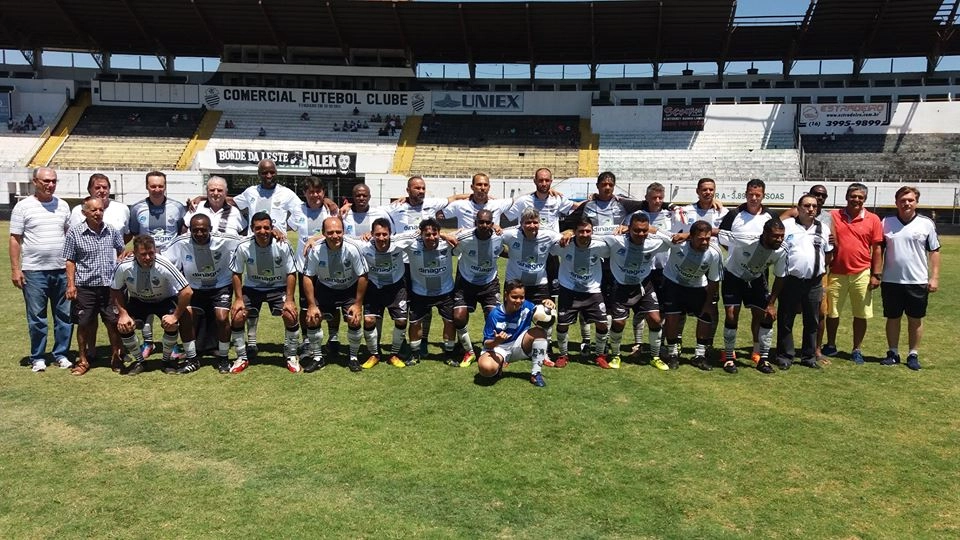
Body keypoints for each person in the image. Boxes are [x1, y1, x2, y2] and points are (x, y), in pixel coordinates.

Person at [10, 167, 73, 372]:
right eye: (46, 181)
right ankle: (37, 356)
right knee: (37, 317)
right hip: (34, 271)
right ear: (35, 182)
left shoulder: (63, 206)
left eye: (54, 181)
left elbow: (69, 237)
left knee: (64, 316)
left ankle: (61, 354)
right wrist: (15, 269)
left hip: (61, 270)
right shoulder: (23, 207)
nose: (50, 185)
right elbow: (15, 239)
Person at [164, 214, 243, 373]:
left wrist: (275, 232)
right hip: (193, 287)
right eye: (195, 230)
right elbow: (162, 258)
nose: (199, 234)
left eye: (203, 230)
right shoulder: (181, 242)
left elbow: (249, 240)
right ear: (190, 230)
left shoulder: (225, 239)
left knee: (221, 318)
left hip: (220, 285)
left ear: (211, 229)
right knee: (186, 317)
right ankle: (192, 359)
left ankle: (223, 358)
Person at [110, 235, 198, 376]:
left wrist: (175, 316)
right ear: (135, 253)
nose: (148, 257)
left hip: (164, 299)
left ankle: (166, 361)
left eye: (151, 253)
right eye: (143, 254)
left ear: (155, 250)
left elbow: (187, 291)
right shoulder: (124, 266)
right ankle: (140, 362)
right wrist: (123, 313)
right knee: (124, 326)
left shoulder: (164, 264)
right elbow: (115, 289)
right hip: (138, 301)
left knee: (172, 324)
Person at [228, 212, 300, 373]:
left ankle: (291, 354)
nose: (262, 231)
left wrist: (289, 299)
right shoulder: (243, 246)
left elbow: (291, 273)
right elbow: (236, 273)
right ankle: (241, 356)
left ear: (272, 228)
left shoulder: (283, 244)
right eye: (258, 228)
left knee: (290, 314)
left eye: (266, 228)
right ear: (252, 229)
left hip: (277, 287)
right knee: (238, 315)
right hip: (253, 288)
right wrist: (238, 299)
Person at [878, 186, 940, 370]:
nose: (906, 203)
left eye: (910, 200)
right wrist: (877, 272)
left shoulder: (926, 223)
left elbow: (934, 251)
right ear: (896, 202)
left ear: (916, 202)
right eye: (903, 200)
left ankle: (913, 354)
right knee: (893, 318)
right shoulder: (886, 222)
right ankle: (893, 352)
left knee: (915, 319)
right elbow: (878, 249)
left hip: (917, 281)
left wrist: (935, 277)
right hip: (891, 280)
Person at [601, 212, 673, 370]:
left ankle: (655, 356)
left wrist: (655, 230)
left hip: (644, 285)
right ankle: (615, 355)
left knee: (655, 319)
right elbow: (593, 237)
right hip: (621, 286)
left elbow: (673, 239)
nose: (641, 234)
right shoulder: (616, 240)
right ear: (629, 229)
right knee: (619, 322)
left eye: (644, 230)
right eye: (637, 230)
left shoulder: (652, 242)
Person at [62, 197, 126, 375]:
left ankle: (116, 357)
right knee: (83, 324)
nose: (98, 213)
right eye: (93, 210)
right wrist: (70, 285)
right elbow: (70, 260)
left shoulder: (110, 230)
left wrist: (120, 263)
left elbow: (121, 250)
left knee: (113, 324)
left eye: (100, 210)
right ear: (84, 213)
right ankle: (83, 360)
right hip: (85, 287)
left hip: (108, 287)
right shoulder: (75, 233)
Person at [717, 179, 777, 367]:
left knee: (759, 314)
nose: (753, 198)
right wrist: (738, 253)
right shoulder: (734, 214)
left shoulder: (770, 217)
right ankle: (729, 353)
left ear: (763, 196)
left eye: (757, 195)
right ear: (746, 194)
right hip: (733, 272)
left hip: (759, 274)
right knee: (731, 314)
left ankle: (757, 350)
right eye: (750, 194)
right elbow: (722, 236)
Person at [127, 170, 187, 359]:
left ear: (165, 186)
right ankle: (148, 342)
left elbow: (181, 232)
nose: (157, 189)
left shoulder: (177, 207)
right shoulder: (137, 209)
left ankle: (173, 345)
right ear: (147, 187)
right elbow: (136, 234)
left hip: (171, 263)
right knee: (145, 296)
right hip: (145, 262)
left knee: (168, 301)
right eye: (153, 186)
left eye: (160, 186)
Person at [822, 182, 883, 364]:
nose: (856, 199)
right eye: (853, 196)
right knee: (832, 312)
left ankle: (857, 349)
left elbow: (877, 248)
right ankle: (831, 345)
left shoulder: (873, 219)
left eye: (860, 197)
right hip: (836, 271)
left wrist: (876, 274)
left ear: (865, 199)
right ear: (846, 197)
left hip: (861, 272)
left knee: (861, 313)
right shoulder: (833, 216)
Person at [716, 219, 788, 373]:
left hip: (756, 278)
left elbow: (781, 277)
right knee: (731, 315)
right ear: (765, 234)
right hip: (733, 276)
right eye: (776, 236)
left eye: (782, 236)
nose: (780, 239)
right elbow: (717, 233)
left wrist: (771, 303)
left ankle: (763, 360)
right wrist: (687, 235)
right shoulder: (746, 238)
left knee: (767, 315)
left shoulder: (782, 249)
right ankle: (729, 358)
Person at [771, 194, 834, 370]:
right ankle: (785, 355)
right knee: (786, 319)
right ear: (798, 208)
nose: (811, 209)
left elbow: (828, 254)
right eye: (807, 206)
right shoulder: (787, 226)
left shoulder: (824, 228)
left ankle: (808, 356)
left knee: (812, 320)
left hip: (814, 282)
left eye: (814, 206)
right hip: (790, 280)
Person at [301, 217, 370, 373]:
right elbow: (307, 277)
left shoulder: (353, 248)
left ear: (343, 232)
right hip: (325, 287)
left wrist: (358, 304)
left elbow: (363, 275)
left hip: (349, 288)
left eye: (338, 232)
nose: (335, 236)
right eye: (330, 232)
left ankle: (353, 357)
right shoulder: (316, 249)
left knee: (354, 319)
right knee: (312, 319)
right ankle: (318, 358)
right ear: (324, 233)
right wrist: (311, 305)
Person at [392, 218, 458, 366]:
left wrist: (445, 236)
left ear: (439, 234)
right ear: (421, 235)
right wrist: (414, 234)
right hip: (420, 292)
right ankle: (415, 354)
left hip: (445, 291)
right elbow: (392, 238)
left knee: (449, 322)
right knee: (415, 323)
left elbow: (465, 232)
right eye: (427, 235)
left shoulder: (446, 243)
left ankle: (449, 354)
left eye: (435, 234)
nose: (431, 238)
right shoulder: (412, 244)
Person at [660, 221, 724, 371]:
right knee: (672, 317)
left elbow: (714, 280)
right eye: (701, 238)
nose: (705, 242)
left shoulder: (714, 252)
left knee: (706, 316)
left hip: (697, 285)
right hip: (673, 283)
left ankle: (699, 356)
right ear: (691, 237)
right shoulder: (677, 243)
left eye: (707, 238)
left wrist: (708, 303)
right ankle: (673, 354)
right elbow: (656, 230)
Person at [551, 218, 612, 369]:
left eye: (588, 231)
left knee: (602, 323)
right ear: (575, 232)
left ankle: (599, 355)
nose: (584, 234)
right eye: (581, 231)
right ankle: (563, 355)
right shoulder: (565, 245)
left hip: (592, 291)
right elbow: (551, 247)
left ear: (592, 231)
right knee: (563, 324)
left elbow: (615, 247)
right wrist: (563, 235)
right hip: (568, 289)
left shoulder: (600, 246)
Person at [353, 218, 411, 369]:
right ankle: (374, 354)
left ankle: (394, 354)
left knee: (401, 321)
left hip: (396, 287)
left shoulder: (399, 242)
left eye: (385, 234)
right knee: (370, 320)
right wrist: (314, 238)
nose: (381, 238)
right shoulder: (364, 245)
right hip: (374, 287)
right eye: (377, 234)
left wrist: (445, 235)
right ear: (371, 234)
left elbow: (421, 233)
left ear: (390, 234)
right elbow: (342, 237)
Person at [451, 210, 505, 367]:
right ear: (475, 222)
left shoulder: (499, 237)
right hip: (465, 282)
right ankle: (468, 350)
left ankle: (491, 349)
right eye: (481, 222)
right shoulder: (465, 238)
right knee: (459, 317)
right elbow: (451, 249)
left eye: (488, 222)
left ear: (492, 223)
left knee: (495, 318)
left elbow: (508, 247)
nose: (484, 225)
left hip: (489, 283)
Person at [477, 280, 554, 387]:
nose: (518, 301)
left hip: (519, 345)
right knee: (486, 369)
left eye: (521, 297)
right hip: (499, 348)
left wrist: (547, 303)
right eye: (514, 297)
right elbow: (486, 344)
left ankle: (536, 373)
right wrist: (497, 341)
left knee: (540, 332)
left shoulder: (527, 306)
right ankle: (498, 365)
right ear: (506, 295)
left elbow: (541, 313)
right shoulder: (494, 314)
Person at [440, 173, 513, 229]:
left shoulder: (498, 204)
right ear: (472, 187)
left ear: (489, 187)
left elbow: (521, 201)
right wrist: (457, 197)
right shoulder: (460, 205)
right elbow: (437, 214)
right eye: (479, 184)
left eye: (485, 185)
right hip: (467, 246)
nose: (482, 188)